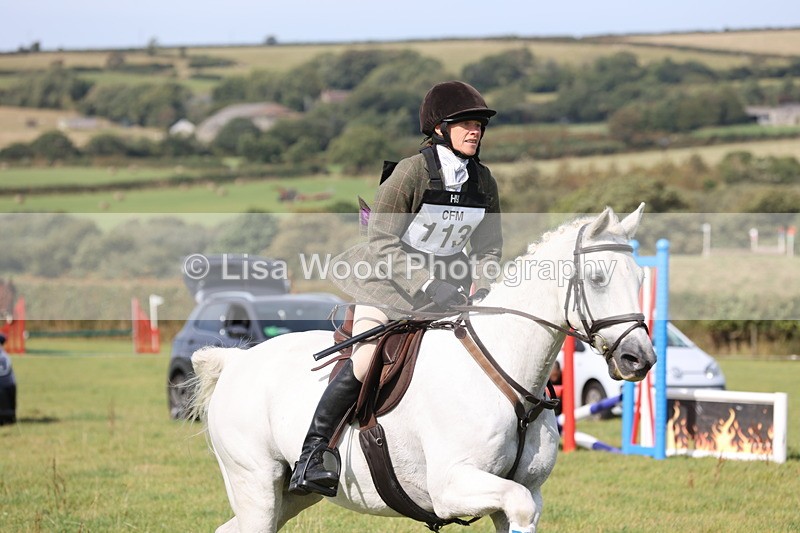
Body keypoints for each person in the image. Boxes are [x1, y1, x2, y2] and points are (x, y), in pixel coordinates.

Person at [288, 80, 504, 497]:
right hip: (386, 282)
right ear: (439, 128)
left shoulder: (484, 181)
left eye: (478, 124)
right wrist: (425, 283)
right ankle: (314, 454)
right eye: (465, 124)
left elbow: (490, 247)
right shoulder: (411, 172)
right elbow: (381, 241)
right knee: (368, 358)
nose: (475, 131)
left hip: (450, 290)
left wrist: (483, 284)